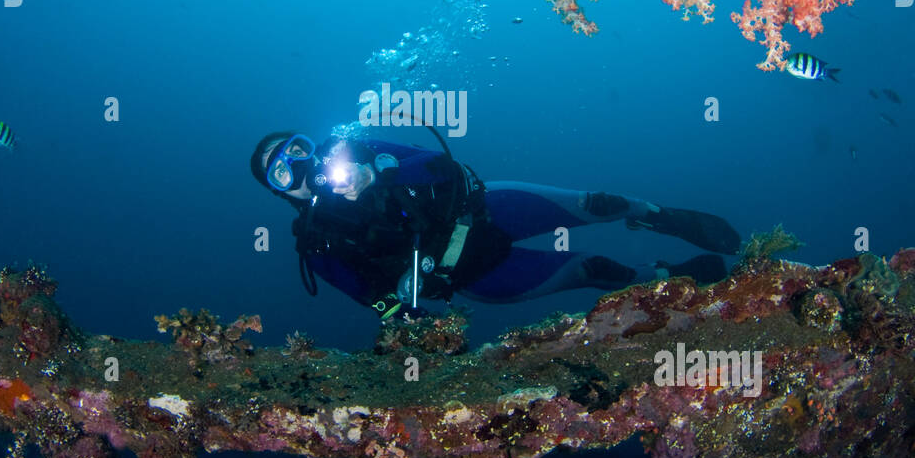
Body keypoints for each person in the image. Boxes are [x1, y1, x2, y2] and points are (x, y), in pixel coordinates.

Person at [251, 130, 741, 320]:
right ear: (280, 193)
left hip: (487, 208)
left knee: (599, 202)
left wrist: (378, 171)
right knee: (595, 269)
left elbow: (439, 162)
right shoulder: (318, 246)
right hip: (476, 277)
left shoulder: (356, 148)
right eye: (281, 171)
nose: (297, 166)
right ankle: (663, 277)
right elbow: (377, 302)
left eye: (295, 149)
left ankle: (658, 216)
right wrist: (425, 328)